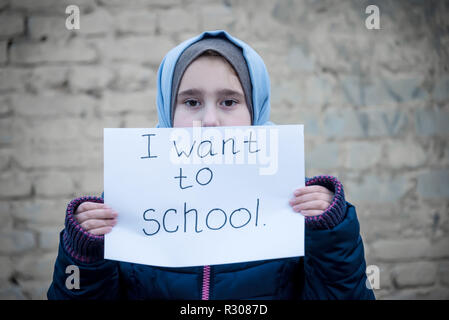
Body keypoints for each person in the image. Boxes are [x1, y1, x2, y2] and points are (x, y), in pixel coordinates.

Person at [47, 30, 375, 300]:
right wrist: (85, 253)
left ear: (255, 110)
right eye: (191, 102)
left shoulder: (300, 205)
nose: (210, 121)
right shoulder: (127, 204)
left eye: (229, 102)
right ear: (167, 111)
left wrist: (331, 233)